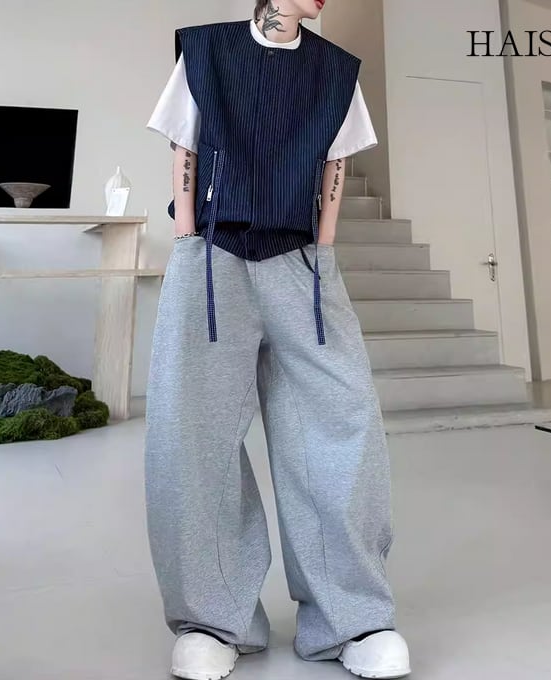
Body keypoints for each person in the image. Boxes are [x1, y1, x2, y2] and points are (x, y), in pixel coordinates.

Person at [144, 1, 410, 678]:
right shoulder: (205, 51)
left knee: (342, 422)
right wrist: (186, 242)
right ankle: (214, 619)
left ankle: (351, 619)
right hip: (212, 254)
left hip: (302, 262)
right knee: (193, 433)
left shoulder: (334, 70)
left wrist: (324, 249)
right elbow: (185, 145)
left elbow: (335, 162)